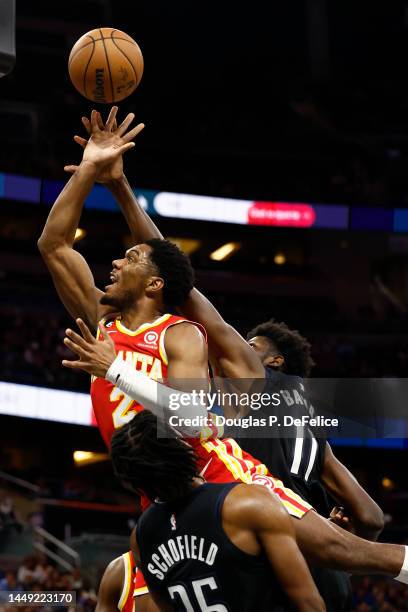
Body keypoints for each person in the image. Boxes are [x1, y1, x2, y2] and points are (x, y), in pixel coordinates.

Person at [50, 107, 408, 584]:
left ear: (274, 360)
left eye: (252, 342)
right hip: (166, 492)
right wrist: (98, 172)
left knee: (345, 559)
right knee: (121, 584)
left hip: (223, 482)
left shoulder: (210, 351)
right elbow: (55, 245)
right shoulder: (112, 325)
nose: (238, 347)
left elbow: (185, 296)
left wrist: (117, 369)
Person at [112, 411, 326, 612]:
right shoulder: (244, 503)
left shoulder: (140, 538)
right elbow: (309, 604)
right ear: (180, 445)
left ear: (134, 482)